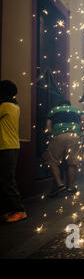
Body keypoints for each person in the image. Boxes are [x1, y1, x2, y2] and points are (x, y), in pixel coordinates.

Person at [43, 100, 84, 197]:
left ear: (60, 104)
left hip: (58, 136)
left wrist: (53, 134)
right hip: (74, 136)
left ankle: (60, 184)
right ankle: (70, 187)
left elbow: (48, 127)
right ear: (68, 105)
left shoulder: (54, 110)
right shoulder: (76, 109)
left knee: (52, 161)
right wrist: (79, 130)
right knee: (73, 162)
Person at [0, 80, 27, 223]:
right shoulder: (14, 105)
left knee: (7, 180)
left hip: (7, 146)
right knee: (5, 179)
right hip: (9, 145)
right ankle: (10, 210)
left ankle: (19, 210)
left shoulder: (6, 106)